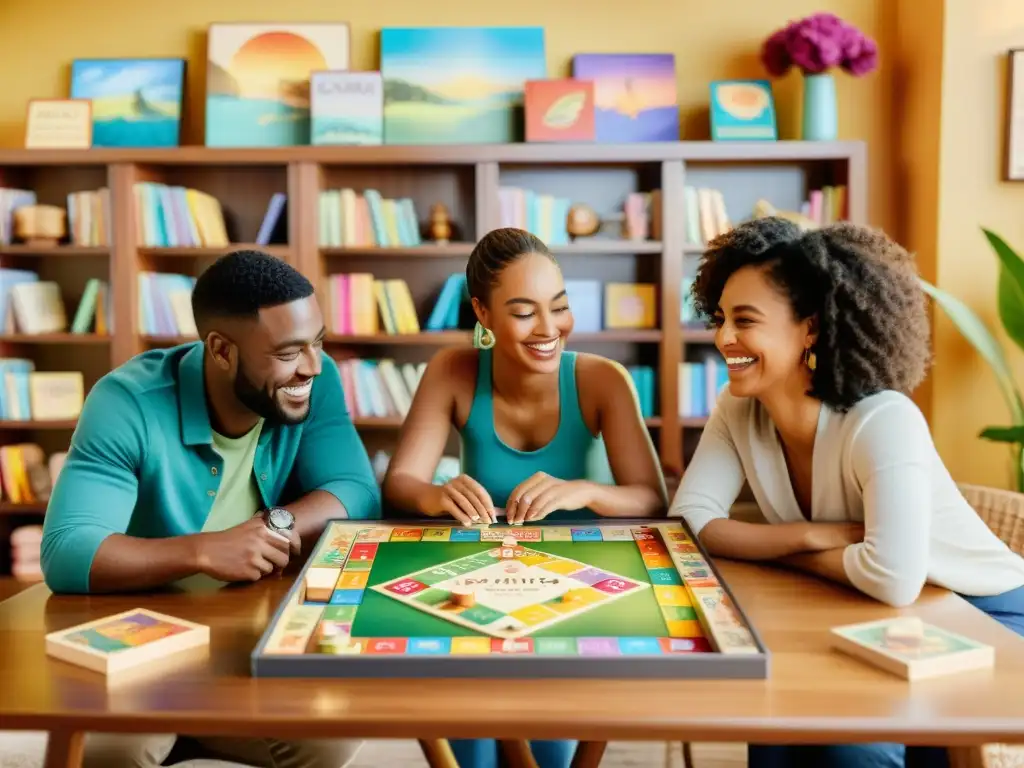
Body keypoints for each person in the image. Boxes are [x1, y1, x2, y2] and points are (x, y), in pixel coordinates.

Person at [669, 217, 1024, 768]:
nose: (723, 339)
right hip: (867, 609)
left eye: (745, 320)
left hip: (982, 616)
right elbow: (689, 522)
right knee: (776, 722)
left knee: (847, 744)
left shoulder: (882, 419)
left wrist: (793, 553)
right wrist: (808, 536)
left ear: (810, 328)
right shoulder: (738, 407)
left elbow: (893, 577)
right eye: (720, 318)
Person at [40, 249, 380, 768]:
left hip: (244, 632)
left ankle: (198, 729)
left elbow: (356, 491)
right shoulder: (126, 401)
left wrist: (274, 525)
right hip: (135, 639)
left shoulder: (315, 378)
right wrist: (204, 551)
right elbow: (67, 552)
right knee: (112, 750)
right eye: (290, 351)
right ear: (221, 351)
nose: (312, 365)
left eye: (317, 341)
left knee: (328, 736)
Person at [382, 227, 668, 767]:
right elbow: (400, 483)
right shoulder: (452, 370)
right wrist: (438, 496)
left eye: (558, 307)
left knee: (549, 751)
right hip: (478, 582)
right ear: (482, 314)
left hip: (580, 592)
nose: (548, 328)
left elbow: (651, 499)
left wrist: (583, 490)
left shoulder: (603, 379)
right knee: (473, 751)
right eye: (523, 312)